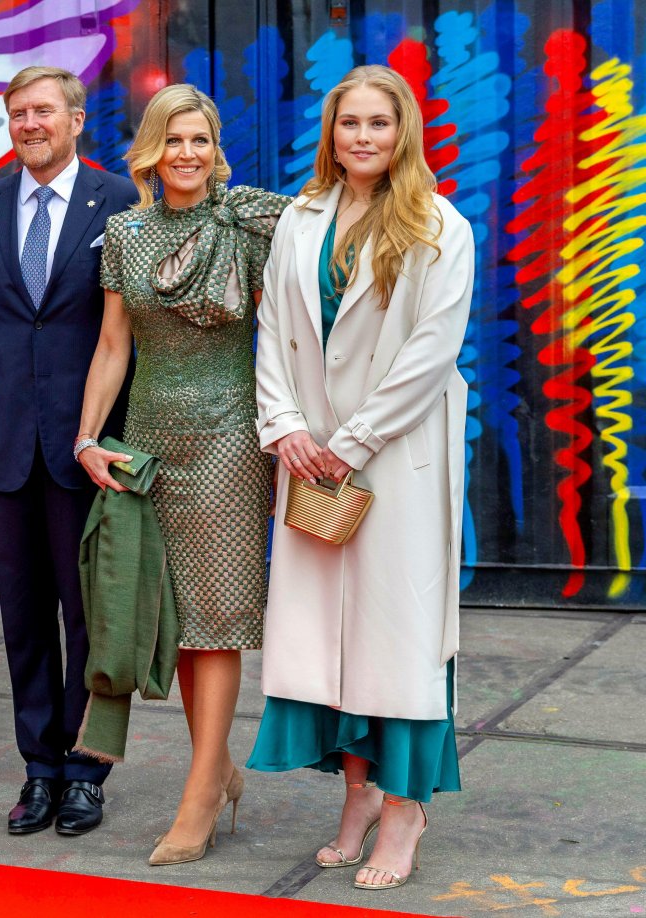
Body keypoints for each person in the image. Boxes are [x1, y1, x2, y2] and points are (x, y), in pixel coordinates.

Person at [246, 64, 473, 891]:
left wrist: (353, 440)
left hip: (395, 462)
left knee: (397, 643)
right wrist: (284, 426)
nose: (364, 136)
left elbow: (430, 354)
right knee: (328, 645)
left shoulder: (440, 225)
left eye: (380, 122)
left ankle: (404, 809)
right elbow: (274, 330)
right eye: (350, 123)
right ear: (331, 135)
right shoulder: (299, 218)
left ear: (403, 130)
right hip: (311, 459)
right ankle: (358, 798)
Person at [75, 84, 288, 865]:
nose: (188, 153)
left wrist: (287, 426)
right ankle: (217, 768)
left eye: (200, 139)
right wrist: (87, 437)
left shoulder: (249, 226)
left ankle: (199, 796)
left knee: (217, 618)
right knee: (180, 621)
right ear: (151, 152)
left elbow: (285, 332)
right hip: (151, 440)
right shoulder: (125, 233)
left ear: (216, 148)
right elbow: (112, 346)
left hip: (230, 438)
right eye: (173, 140)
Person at [0, 66, 138, 837]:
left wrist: (121, 436)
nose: (30, 124)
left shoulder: (119, 200)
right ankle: (40, 769)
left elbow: (130, 334)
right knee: (22, 619)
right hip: (0, 447)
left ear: (77, 120)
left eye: (44, 111)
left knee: (90, 618)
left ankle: (86, 773)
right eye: (18, 113)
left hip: (86, 447)